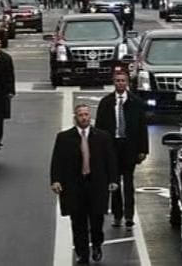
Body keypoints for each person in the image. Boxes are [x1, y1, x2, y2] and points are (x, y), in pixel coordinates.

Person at [50, 103, 118, 264]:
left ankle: (96, 245)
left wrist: (113, 180)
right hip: (75, 185)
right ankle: (82, 252)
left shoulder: (102, 137)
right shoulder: (64, 137)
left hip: (96, 184)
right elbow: (56, 161)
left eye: (86, 114)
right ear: (75, 118)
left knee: (97, 219)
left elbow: (110, 160)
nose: (84, 117)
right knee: (78, 221)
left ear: (90, 117)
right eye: (80, 115)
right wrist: (56, 180)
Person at [96, 70, 149, 228]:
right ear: (114, 82)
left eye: (123, 81)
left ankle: (129, 215)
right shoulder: (106, 103)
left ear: (127, 83)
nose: (120, 83)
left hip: (129, 147)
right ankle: (117, 215)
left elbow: (142, 128)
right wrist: (99, 150)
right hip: (112, 147)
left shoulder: (136, 102)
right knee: (114, 183)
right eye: (117, 80)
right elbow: (99, 128)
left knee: (128, 182)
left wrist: (143, 150)